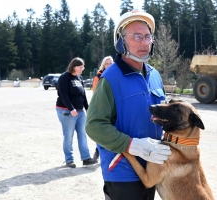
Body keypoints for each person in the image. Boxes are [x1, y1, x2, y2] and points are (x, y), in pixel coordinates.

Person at [86, 10, 171, 200]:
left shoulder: (155, 76)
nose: (144, 42)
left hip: (153, 166)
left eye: (148, 36)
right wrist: (132, 145)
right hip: (122, 171)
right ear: (121, 41)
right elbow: (94, 126)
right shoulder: (110, 78)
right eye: (137, 36)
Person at [56, 57, 97, 168]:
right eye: (80, 67)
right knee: (69, 136)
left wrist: (87, 109)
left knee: (82, 135)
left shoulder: (79, 77)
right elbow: (63, 95)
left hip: (80, 112)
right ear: (73, 66)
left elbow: (82, 95)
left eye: (83, 67)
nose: (82, 69)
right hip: (66, 111)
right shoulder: (64, 77)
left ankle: (86, 158)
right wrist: (71, 109)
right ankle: (69, 160)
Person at [92, 55, 114, 162]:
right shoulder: (98, 77)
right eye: (107, 63)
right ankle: (98, 151)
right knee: (101, 129)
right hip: (103, 107)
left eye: (111, 63)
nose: (109, 65)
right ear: (103, 65)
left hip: (114, 107)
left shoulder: (116, 75)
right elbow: (96, 93)